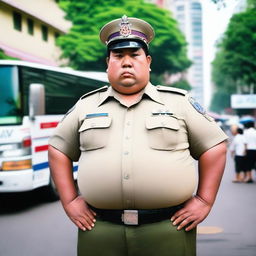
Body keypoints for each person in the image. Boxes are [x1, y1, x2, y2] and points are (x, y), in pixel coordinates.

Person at [48, 15, 228, 256]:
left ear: (148, 61)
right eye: (118, 56)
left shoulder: (179, 102)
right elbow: (58, 150)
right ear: (108, 62)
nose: (126, 63)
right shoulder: (86, 106)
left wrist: (204, 200)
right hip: (99, 230)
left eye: (134, 55)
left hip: (168, 229)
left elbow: (214, 147)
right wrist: (70, 201)